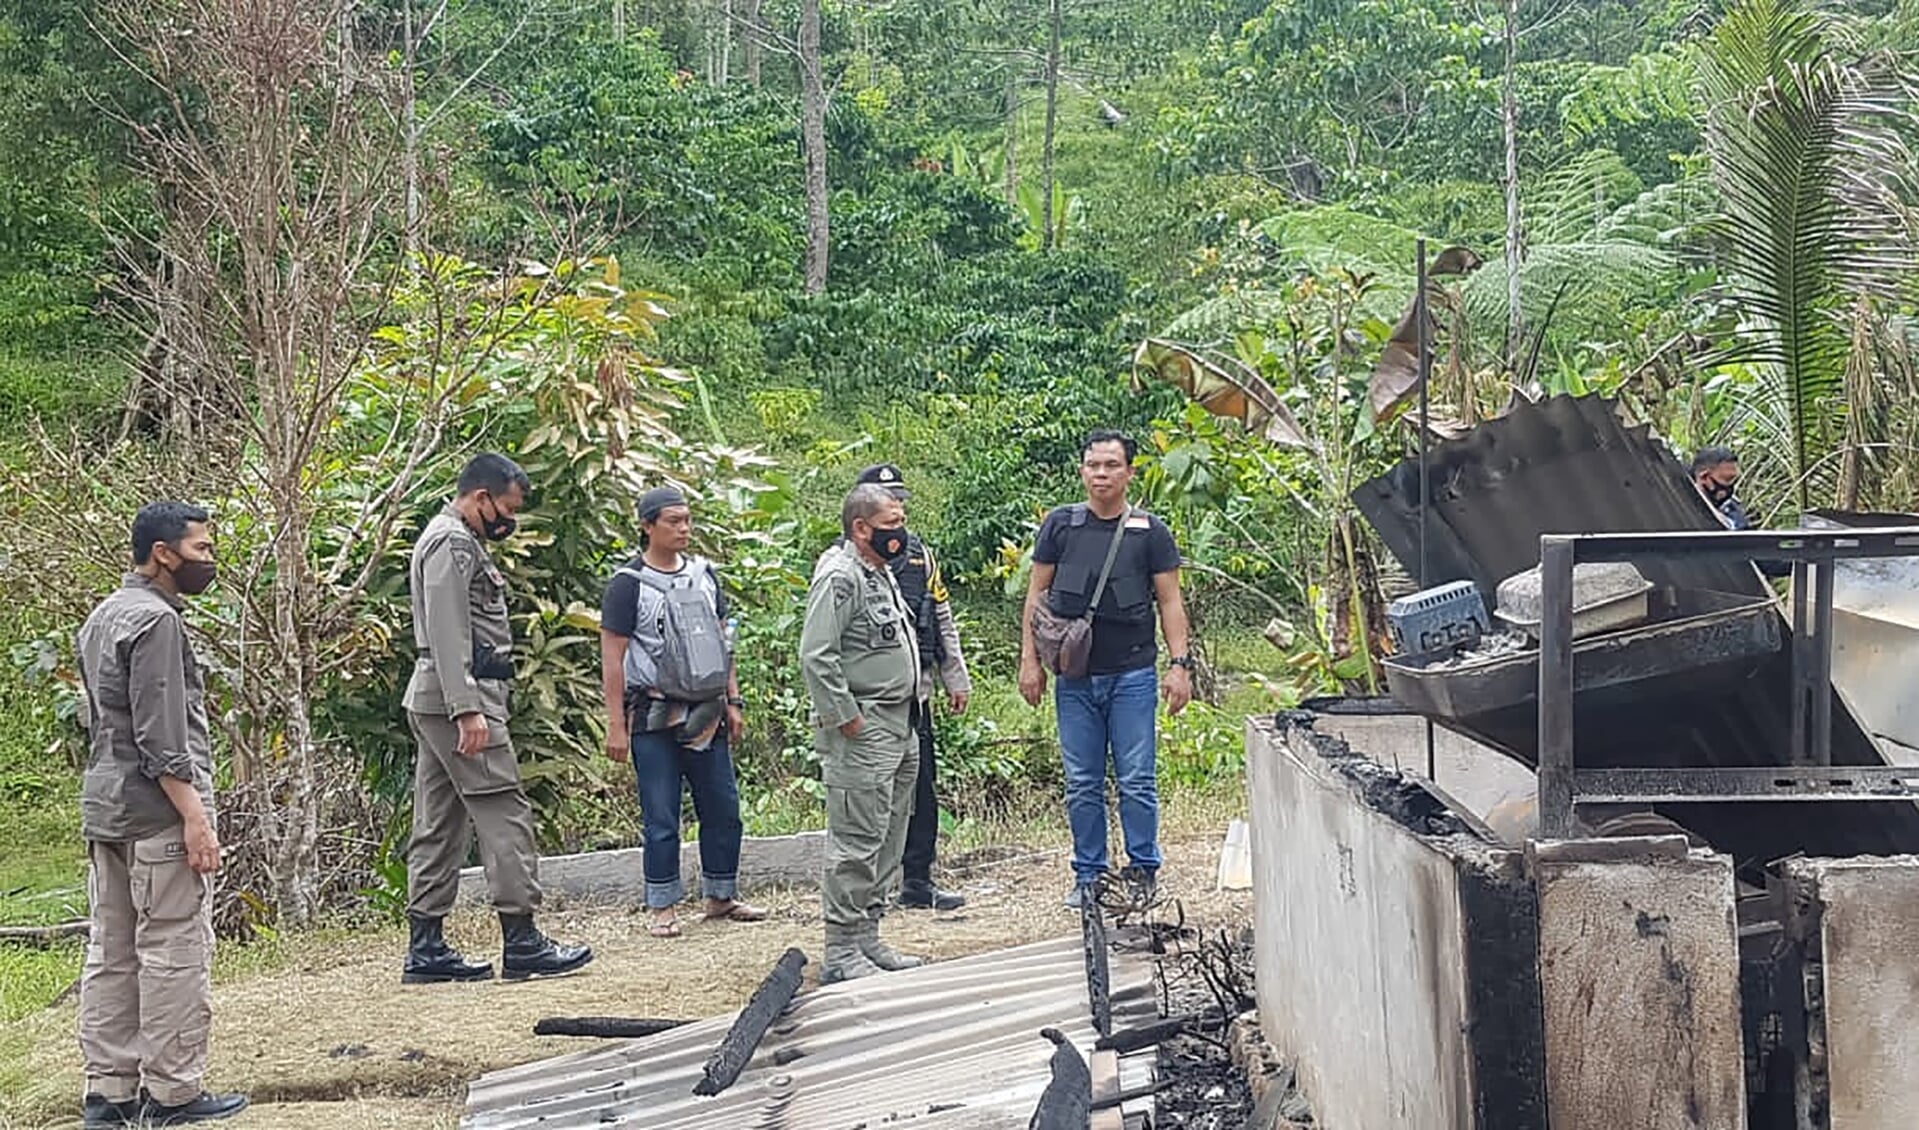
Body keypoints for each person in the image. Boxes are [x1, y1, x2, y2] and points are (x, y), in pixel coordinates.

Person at [75, 502, 248, 1128]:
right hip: (154, 814)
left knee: (111, 950)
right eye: (201, 549)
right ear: (163, 554)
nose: (211, 560)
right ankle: (173, 1092)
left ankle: (109, 1093)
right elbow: (162, 738)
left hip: (106, 807)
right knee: (173, 946)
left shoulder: (104, 615)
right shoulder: (157, 623)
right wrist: (195, 818)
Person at [400, 453, 592, 983]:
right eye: (507, 509)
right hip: (459, 700)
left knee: (439, 821)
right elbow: (447, 630)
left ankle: (428, 949)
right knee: (503, 811)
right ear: (480, 498)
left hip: (439, 698)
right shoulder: (451, 543)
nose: (511, 521)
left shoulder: (452, 539)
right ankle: (523, 940)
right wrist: (468, 709)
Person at [1018, 429, 1193, 909]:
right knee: (1081, 781)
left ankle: (1142, 870)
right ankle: (1089, 875)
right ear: (1082, 471)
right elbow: (1036, 597)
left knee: (1137, 777)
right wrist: (1029, 660)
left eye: (1112, 465)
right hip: (1073, 678)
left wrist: (1179, 666)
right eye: (1093, 465)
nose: (1101, 474)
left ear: (1130, 472)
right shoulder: (1060, 526)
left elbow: (1171, 601)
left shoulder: (1151, 533)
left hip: (1132, 674)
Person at [600, 486, 766, 938]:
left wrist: (733, 700)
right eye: (673, 521)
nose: (683, 529)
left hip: (706, 707)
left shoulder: (705, 575)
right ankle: (662, 903)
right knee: (660, 811)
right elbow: (613, 656)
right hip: (651, 711)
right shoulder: (628, 584)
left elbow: (722, 640)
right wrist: (616, 723)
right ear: (647, 525)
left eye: (687, 520)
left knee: (722, 805)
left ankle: (721, 893)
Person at [800, 484, 927, 982]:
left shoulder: (881, 574)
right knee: (856, 838)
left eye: (901, 522)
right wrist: (845, 715)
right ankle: (841, 949)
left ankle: (869, 936)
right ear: (861, 527)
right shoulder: (840, 577)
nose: (901, 534)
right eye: (891, 525)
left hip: (900, 722)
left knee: (890, 834)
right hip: (864, 726)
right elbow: (818, 654)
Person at [852, 464, 972, 912]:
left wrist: (954, 678)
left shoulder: (921, 555)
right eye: (886, 499)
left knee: (921, 789)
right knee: (869, 795)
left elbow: (941, 617)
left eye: (900, 499)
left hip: (916, 694)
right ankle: (867, 890)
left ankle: (918, 881)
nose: (896, 505)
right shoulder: (845, 563)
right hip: (868, 699)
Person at [1691, 446, 1790, 578]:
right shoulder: (1685, 509)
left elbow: (1752, 551)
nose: (1730, 487)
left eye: (1734, 481)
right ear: (1704, 477)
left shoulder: (1732, 510)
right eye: (1726, 480)